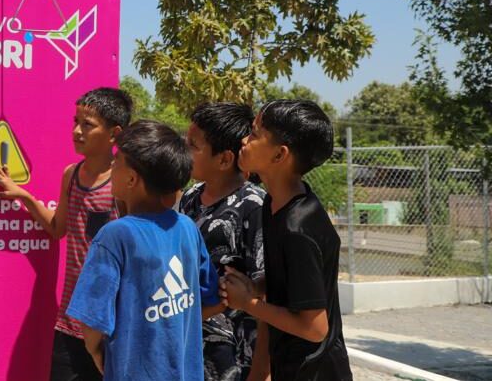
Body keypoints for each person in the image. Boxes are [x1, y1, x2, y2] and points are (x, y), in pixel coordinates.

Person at [0, 87, 132, 381]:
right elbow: (57, 228)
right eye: (75, 122)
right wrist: (24, 197)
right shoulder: (71, 175)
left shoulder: (124, 182)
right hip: (69, 320)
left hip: (110, 324)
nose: (77, 131)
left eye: (87, 125)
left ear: (114, 134)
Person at [67, 120, 220, 380]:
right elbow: (212, 299)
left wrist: (96, 351)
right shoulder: (186, 227)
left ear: (131, 178)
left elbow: (91, 323)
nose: (112, 166)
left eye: (117, 161)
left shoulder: (115, 235)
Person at [221, 99, 353, 380]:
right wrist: (256, 287)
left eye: (255, 134)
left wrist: (247, 303)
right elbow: (289, 283)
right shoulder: (275, 204)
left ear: (280, 155)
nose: (244, 140)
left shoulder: (298, 227)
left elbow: (315, 328)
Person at [179, 102, 267, 381]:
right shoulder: (191, 198)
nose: (184, 150)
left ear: (225, 159)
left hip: (235, 360)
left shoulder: (254, 206)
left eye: (193, 145)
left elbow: (266, 294)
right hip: (191, 349)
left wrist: (261, 373)